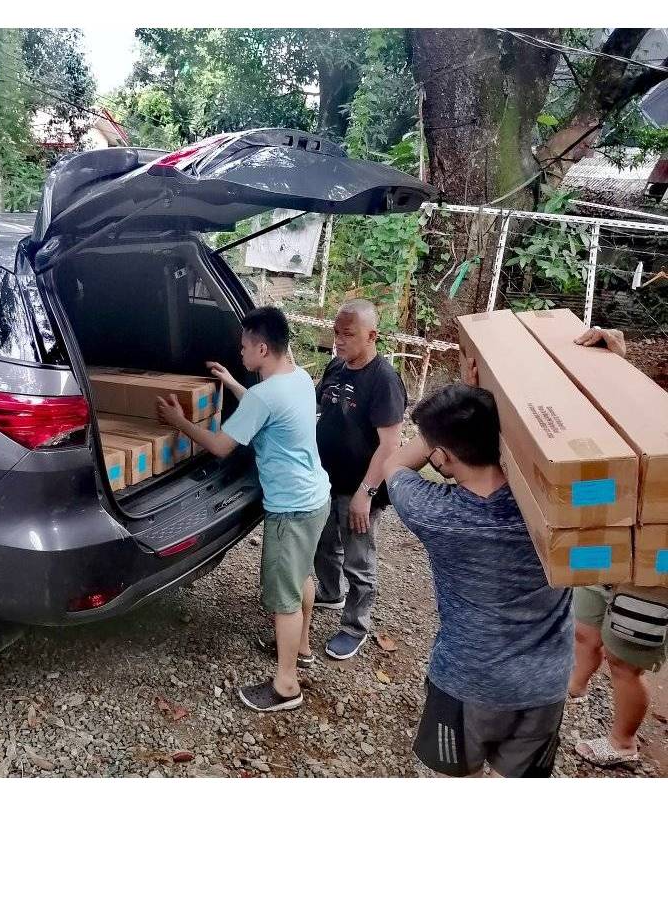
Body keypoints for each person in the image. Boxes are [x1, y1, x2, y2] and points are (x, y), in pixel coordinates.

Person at [383, 378, 573, 777]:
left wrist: (444, 420)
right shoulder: (558, 507)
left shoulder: (433, 513)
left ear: (441, 456)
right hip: (545, 685)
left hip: (467, 680)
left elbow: (394, 464)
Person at [156, 306, 330, 713]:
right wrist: (233, 382)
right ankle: (302, 646)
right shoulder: (298, 378)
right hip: (315, 498)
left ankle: (286, 685)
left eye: (244, 347)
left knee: (283, 599)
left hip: (290, 509)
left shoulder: (266, 395)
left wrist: (179, 421)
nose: (240, 352)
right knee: (302, 576)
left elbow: (220, 446)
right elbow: (262, 407)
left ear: (263, 349)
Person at [567, 325, 668, 767]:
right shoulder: (653, 400)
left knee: (624, 660)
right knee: (584, 627)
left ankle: (623, 743)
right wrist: (616, 362)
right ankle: (573, 686)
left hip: (656, 563)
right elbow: (630, 420)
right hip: (607, 539)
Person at [313, 299, 406, 661]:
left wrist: (365, 494)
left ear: (372, 336)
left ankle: (355, 626)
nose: (339, 340)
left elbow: (390, 445)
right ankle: (330, 593)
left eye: (348, 334)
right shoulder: (336, 366)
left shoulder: (384, 380)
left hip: (360, 487)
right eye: (336, 332)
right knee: (324, 544)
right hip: (326, 481)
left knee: (359, 559)